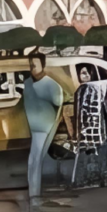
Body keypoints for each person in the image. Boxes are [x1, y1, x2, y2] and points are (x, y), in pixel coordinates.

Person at [22, 51, 63, 201]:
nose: (33, 67)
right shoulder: (27, 83)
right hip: (30, 125)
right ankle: (33, 192)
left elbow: (58, 101)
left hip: (43, 126)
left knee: (36, 159)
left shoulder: (50, 84)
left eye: (36, 64)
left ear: (43, 65)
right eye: (31, 64)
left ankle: (35, 193)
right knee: (32, 159)